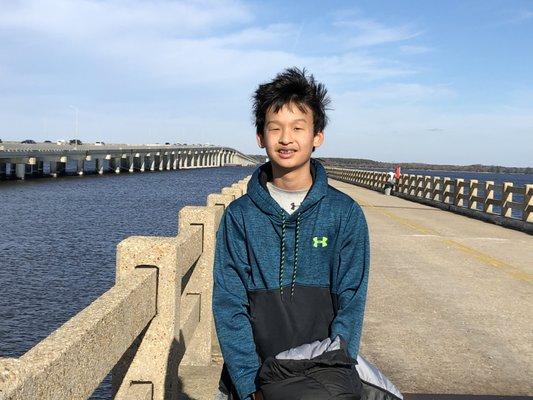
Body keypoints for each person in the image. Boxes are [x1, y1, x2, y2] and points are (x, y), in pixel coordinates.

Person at [212, 67, 370, 400]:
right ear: (260, 137)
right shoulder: (239, 218)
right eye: (275, 128)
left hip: (321, 383)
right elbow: (230, 306)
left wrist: (335, 370)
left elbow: (351, 302)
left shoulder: (344, 215)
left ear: (317, 136)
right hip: (255, 383)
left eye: (298, 127)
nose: (286, 139)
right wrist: (250, 386)